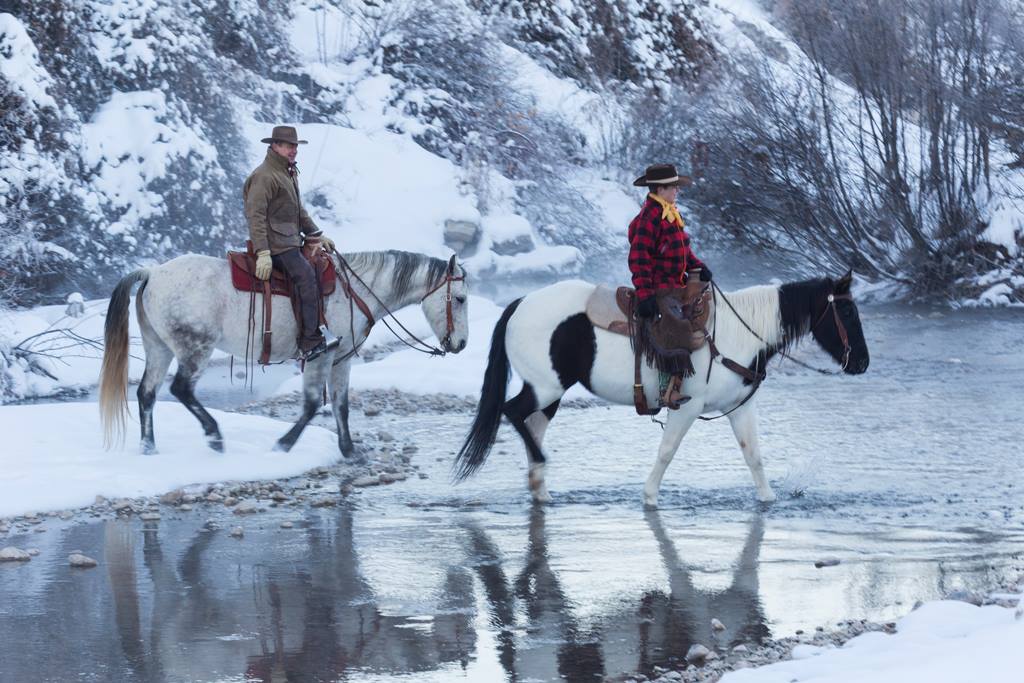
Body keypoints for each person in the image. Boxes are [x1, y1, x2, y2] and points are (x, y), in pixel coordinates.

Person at [243, 126, 336, 360]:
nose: (293, 150)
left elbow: (298, 211)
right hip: (277, 246)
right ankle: (310, 341)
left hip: (289, 241)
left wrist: (316, 234)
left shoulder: (286, 172)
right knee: (306, 277)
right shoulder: (265, 176)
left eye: (295, 145)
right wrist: (263, 252)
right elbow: (256, 216)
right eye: (287, 145)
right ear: (274, 145)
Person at [627, 163, 713, 407]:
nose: (677, 190)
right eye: (673, 187)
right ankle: (667, 390)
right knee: (677, 329)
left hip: (678, 284)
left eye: (676, 186)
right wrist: (645, 294)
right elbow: (639, 258)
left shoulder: (670, 212)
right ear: (660, 188)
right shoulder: (649, 217)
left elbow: (683, 251)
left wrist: (698, 266)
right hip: (660, 288)